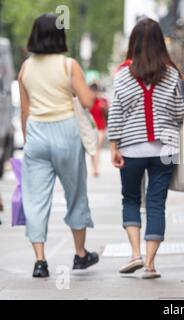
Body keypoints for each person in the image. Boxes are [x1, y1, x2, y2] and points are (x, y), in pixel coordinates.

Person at [18, 14, 99, 278]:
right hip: (65, 131)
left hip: (36, 134)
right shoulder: (68, 65)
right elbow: (87, 100)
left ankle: (40, 261)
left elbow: (25, 113)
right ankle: (80, 254)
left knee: (35, 198)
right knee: (75, 194)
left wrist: (28, 140)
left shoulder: (26, 68)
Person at [108, 18, 184, 279]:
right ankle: (151, 265)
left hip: (131, 149)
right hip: (164, 151)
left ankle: (134, 254)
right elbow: (179, 113)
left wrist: (113, 146)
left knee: (130, 199)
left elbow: (116, 114)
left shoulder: (122, 75)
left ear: (133, 43)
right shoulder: (172, 74)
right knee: (156, 204)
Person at [89, 83, 108, 177]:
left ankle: (96, 168)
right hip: (91, 128)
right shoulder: (88, 101)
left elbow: (107, 114)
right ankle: (94, 167)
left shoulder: (102, 101)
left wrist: (104, 107)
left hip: (101, 128)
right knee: (93, 149)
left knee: (97, 148)